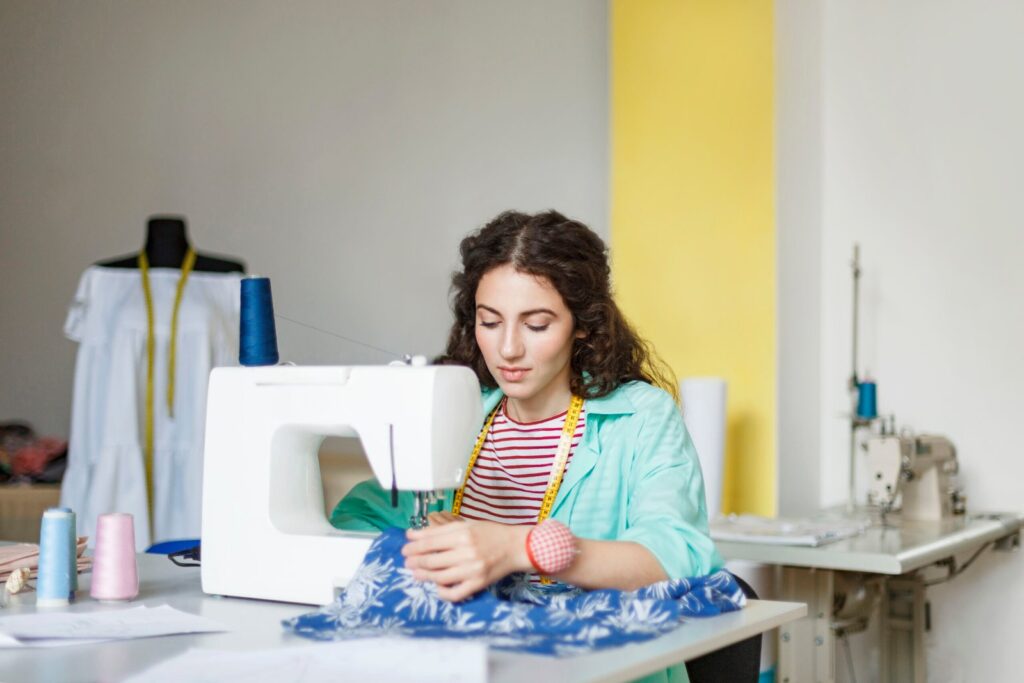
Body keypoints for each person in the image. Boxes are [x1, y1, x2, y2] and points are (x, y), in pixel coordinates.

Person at [331, 210, 722, 605]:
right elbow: (355, 517)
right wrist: (418, 540)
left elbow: (679, 558)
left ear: (583, 323)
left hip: (599, 661)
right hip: (471, 654)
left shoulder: (639, 418)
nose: (508, 349)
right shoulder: (460, 411)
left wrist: (521, 548)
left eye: (536, 325)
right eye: (490, 322)